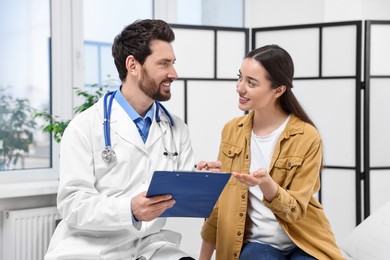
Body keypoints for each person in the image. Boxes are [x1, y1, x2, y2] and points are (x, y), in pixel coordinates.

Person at [45, 19, 220, 260]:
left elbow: (178, 192)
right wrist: (129, 209)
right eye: (163, 64)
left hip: (149, 245)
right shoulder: (85, 127)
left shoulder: (176, 128)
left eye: (173, 63)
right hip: (91, 247)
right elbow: (73, 205)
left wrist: (201, 179)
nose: (174, 73)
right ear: (133, 65)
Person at [199, 44, 345, 260]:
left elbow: (294, 211)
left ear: (278, 90)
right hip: (256, 243)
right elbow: (221, 204)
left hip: (303, 240)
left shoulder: (307, 136)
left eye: (251, 83)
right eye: (240, 78)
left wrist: (267, 185)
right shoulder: (232, 131)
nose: (240, 88)